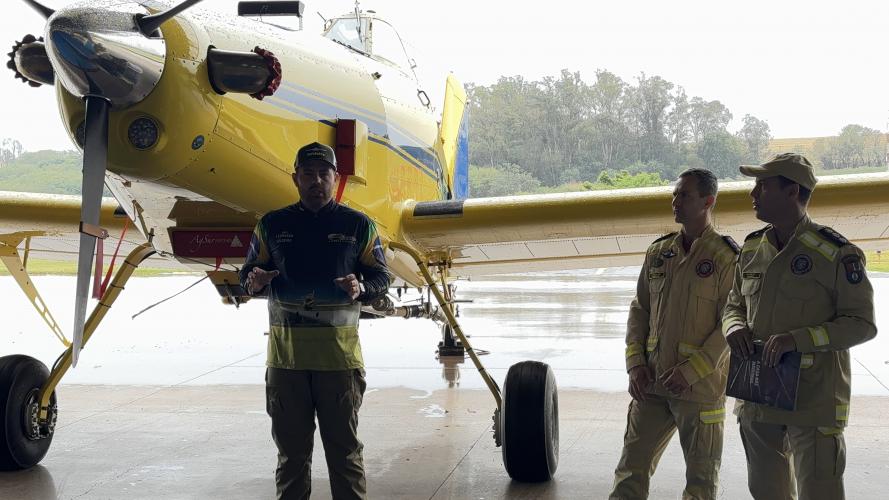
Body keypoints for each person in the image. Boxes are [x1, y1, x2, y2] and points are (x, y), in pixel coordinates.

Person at [239, 141, 392, 500]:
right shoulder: (271, 225)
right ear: (295, 178)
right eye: (308, 174)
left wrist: (361, 286)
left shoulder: (358, 225)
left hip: (338, 363)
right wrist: (254, 280)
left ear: (336, 178)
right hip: (286, 363)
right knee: (291, 457)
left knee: (345, 455)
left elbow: (382, 278)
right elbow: (246, 274)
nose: (316, 181)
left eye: (324, 174)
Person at [722, 152, 877, 500]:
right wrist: (733, 327)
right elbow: (733, 304)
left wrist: (799, 340)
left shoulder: (835, 253)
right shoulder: (750, 249)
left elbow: (862, 324)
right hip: (759, 396)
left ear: (793, 192)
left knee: (820, 493)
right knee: (766, 492)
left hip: (813, 400)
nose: (753, 194)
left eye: (762, 186)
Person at [610, 168, 738, 500]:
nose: (675, 201)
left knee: (701, 481)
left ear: (708, 201)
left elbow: (731, 323)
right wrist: (635, 364)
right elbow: (640, 309)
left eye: (685, 195)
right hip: (651, 383)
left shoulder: (726, 257)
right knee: (630, 470)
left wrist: (692, 371)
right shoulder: (659, 252)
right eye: (675, 194)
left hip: (700, 389)